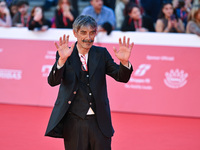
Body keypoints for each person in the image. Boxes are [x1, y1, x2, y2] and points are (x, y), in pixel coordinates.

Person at [45, 15, 133, 150]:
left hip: (99, 122)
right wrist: (61, 61)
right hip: (74, 123)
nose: (89, 37)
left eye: (92, 32)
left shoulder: (101, 53)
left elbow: (121, 77)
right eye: (84, 33)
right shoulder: (65, 54)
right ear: (75, 33)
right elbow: (52, 81)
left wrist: (124, 63)